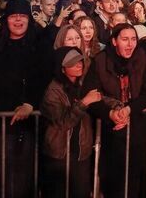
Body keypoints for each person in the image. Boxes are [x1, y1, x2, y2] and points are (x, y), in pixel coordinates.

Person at [0, 0, 46, 198]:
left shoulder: (39, 47)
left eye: (22, 16)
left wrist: (29, 104)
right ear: (6, 20)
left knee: (25, 181)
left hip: (29, 126)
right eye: (14, 16)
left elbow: (43, 79)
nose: (18, 20)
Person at [87, 23, 146, 198]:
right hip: (111, 132)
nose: (130, 44)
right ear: (114, 41)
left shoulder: (142, 57)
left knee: (135, 180)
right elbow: (91, 96)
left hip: (138, 129)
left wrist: (129, 109)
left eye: (133, 39)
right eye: (125, 39)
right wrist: (111, 113)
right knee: (114, 183)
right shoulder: (101, 60)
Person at [40, 47, 115, 198]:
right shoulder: (52, 91)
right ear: (62, 68)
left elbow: (102, 98)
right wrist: (84, 102)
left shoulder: (83, 85)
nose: (79, 65)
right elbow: (63, 122)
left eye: (80, 61)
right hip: (59, 154)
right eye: (73, 63)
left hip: (81, 152)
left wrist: (119, 107)